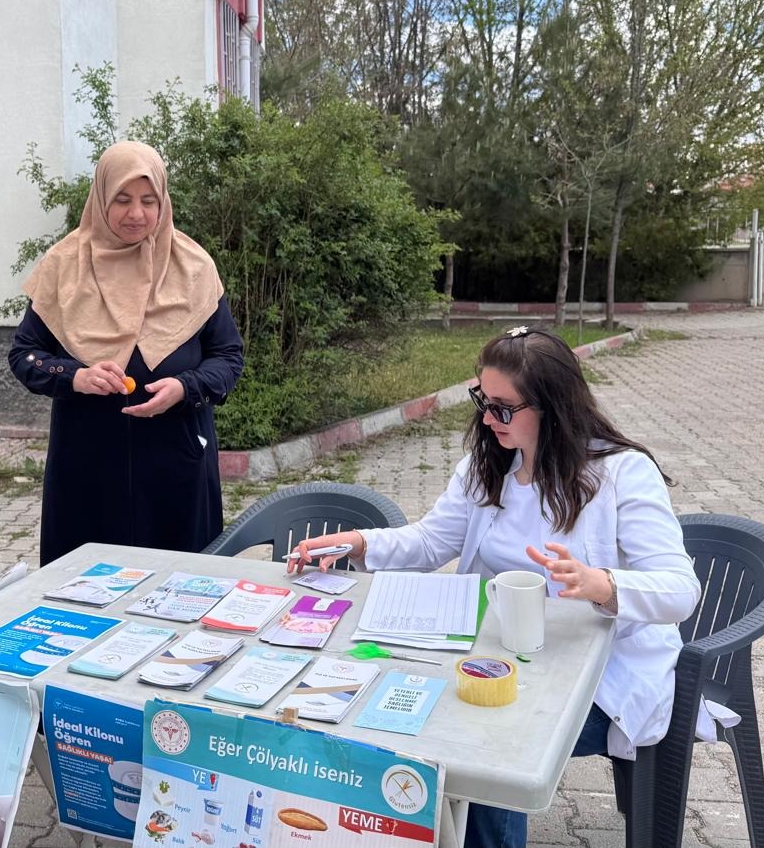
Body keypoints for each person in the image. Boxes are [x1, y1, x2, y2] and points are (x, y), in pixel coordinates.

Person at [287, 326, 700, 848]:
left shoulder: (620, 474)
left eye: (504, 407)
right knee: (386, 702)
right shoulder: (489, 465)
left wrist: (600, 583)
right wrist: (359, 544)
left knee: (486, 739)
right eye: (483, 400)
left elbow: (680, 591)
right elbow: (432, 541)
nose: (487, 418)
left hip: (598, 672)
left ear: (553, 406)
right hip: (490, 653)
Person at [10, 140, 244, 566]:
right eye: (122, 199)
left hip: (178, 465)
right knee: (84, 598)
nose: (136, 214)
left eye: (148, 200)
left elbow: (228, 356)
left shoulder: (194, 266)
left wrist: (186, 386)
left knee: (182, 590)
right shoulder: (64, 265)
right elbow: (25, 353)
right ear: (101, 199)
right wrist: (73, 376)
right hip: (88, 467)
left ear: (163, 201)